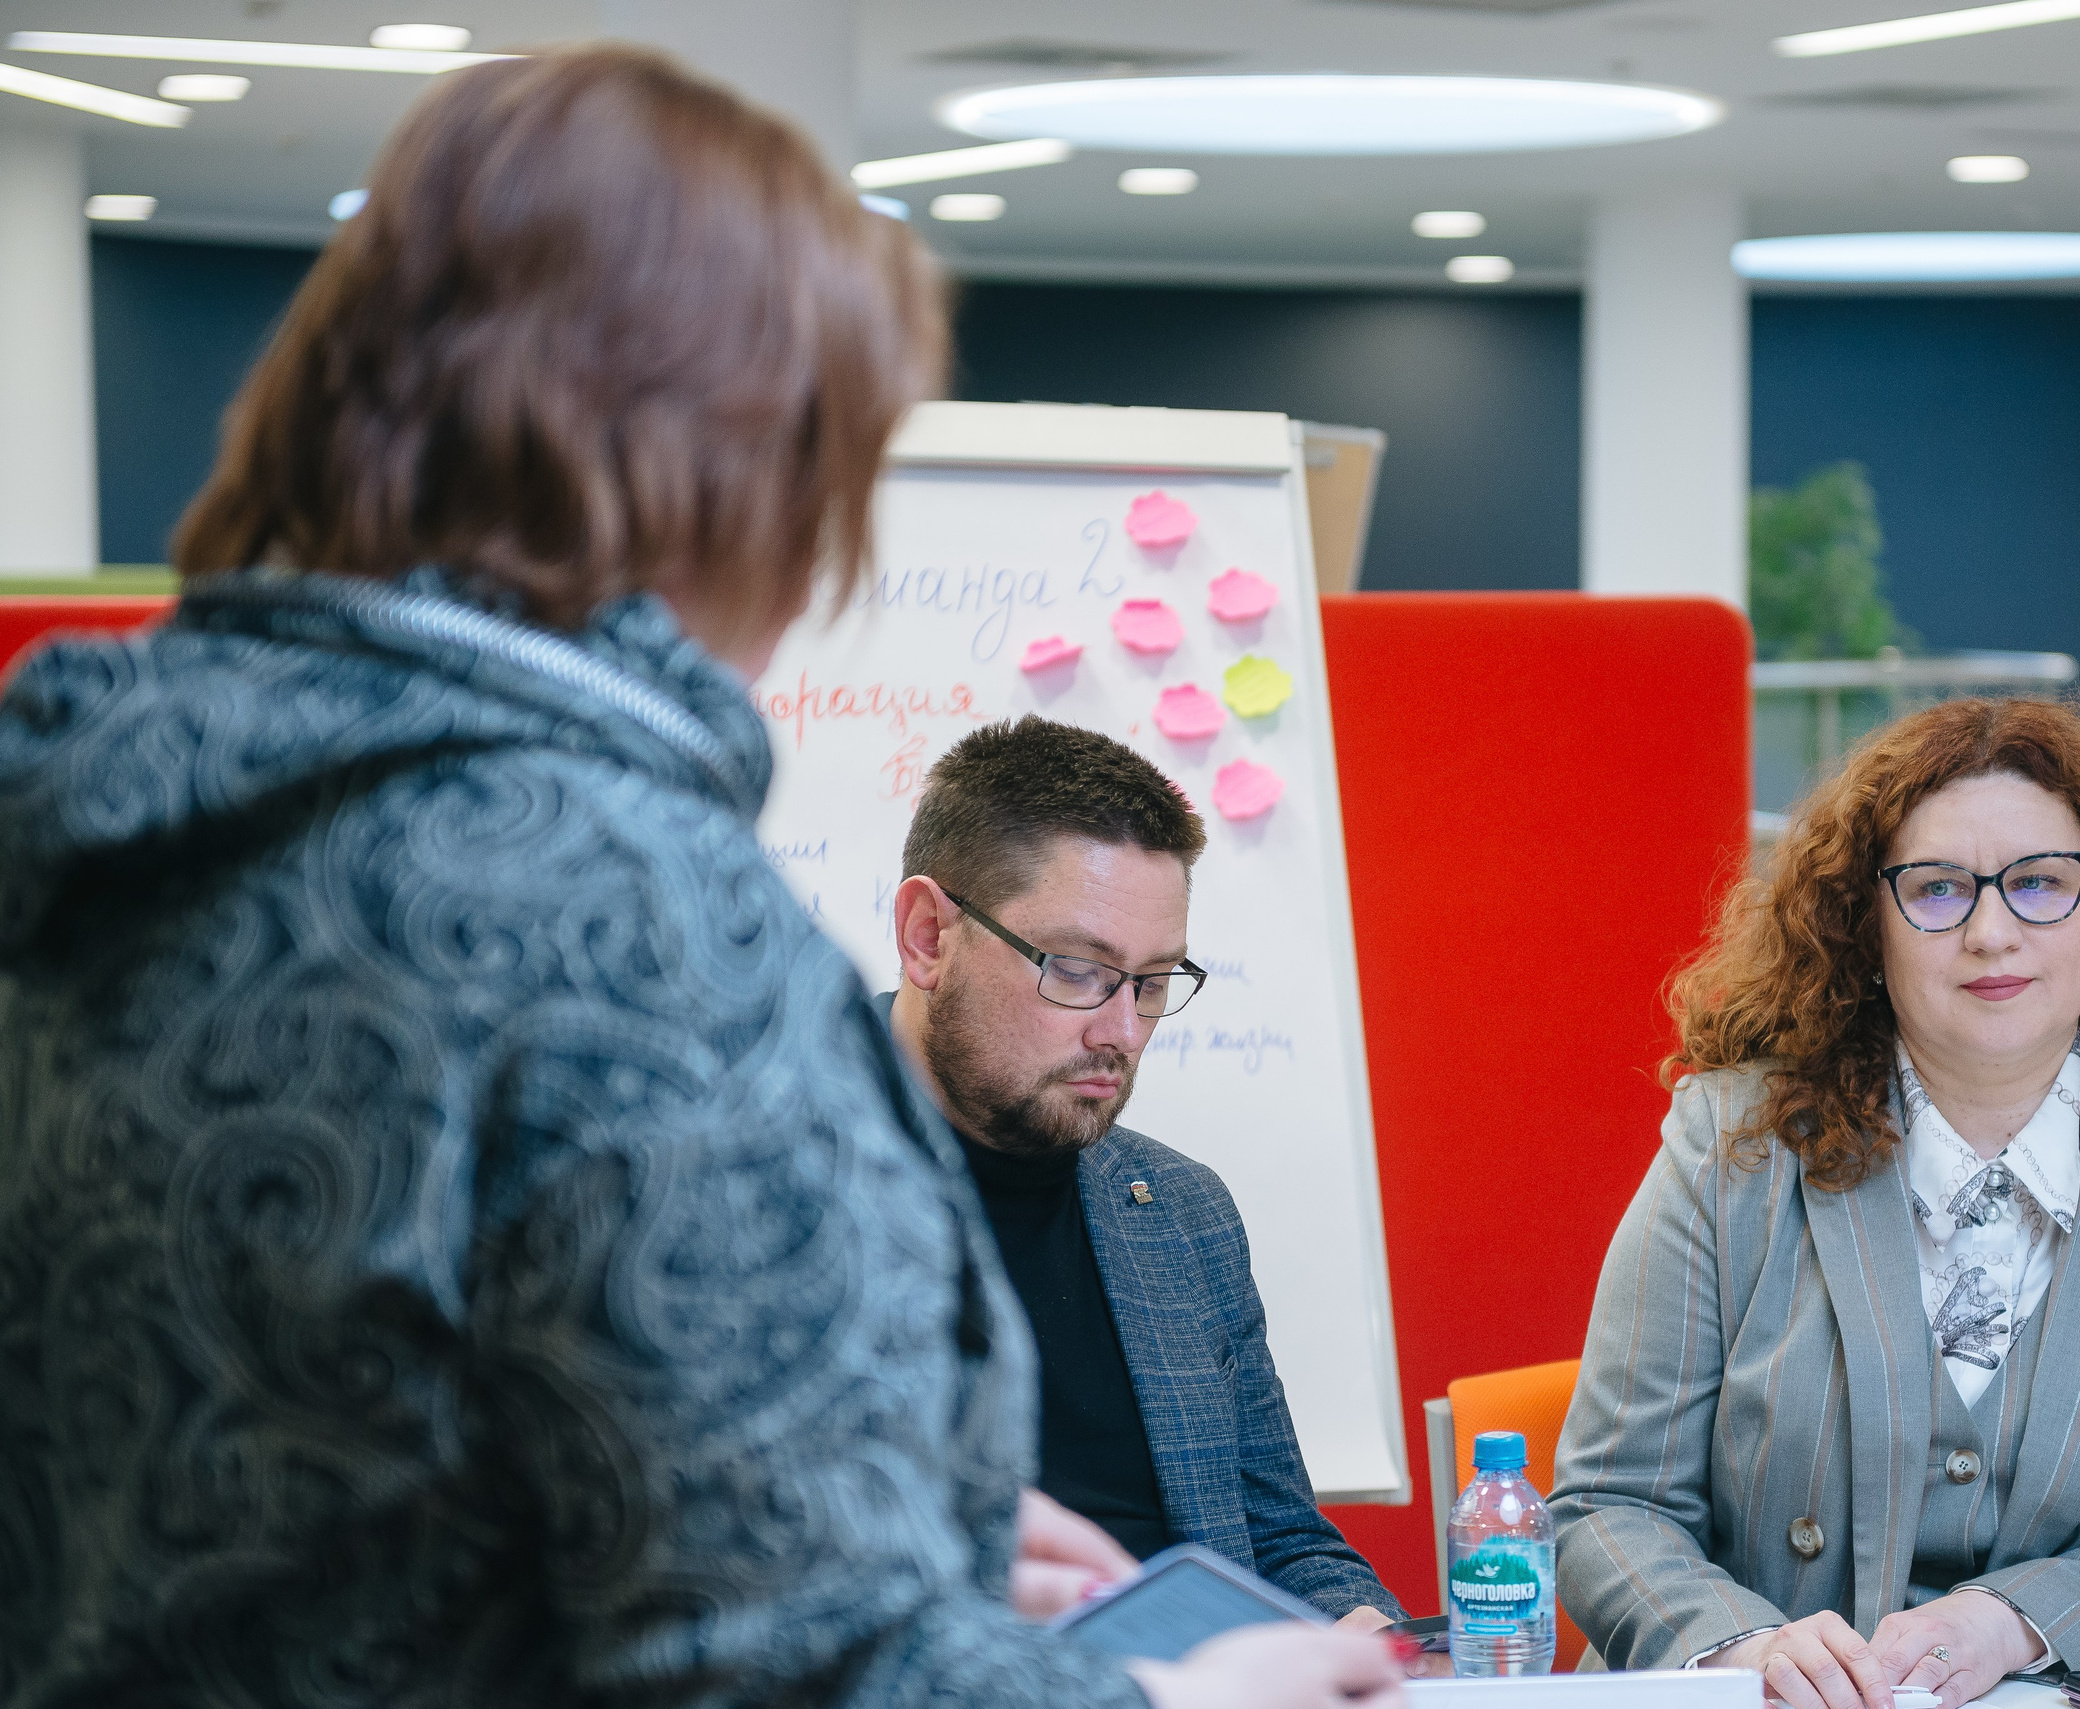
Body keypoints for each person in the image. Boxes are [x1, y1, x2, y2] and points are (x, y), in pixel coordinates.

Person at [0, 47, 1400, 1709]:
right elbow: (790, 1680)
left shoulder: (105, 824)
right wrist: (1181, 1696)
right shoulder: (621, 906)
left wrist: (908, 1523)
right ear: (724, 464)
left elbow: (372, 1488)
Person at [1550, 697, 2080, 1708]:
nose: (1990, 931)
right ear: (1866, 926)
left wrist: (2018, 1618)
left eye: (2040, 883)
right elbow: (1610, 1503)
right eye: (1938, 889)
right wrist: (1741, 1644)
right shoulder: (1727, 1141)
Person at [883, 716, 1411, 1633]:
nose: (1122, 1032)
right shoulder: (769, 1182)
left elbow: (1284, 1541)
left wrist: (1358, 1628)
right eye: (1078, 971)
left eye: (1154, 982)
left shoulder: (1180, 1212)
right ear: (930, 935)